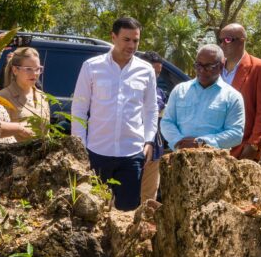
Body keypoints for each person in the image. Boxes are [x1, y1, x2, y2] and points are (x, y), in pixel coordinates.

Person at [71, 17, 158, 211]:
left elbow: (151, 109)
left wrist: (148, 140)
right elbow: (79, 108)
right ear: (113, 37)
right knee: (90, 210)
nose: (132, 45)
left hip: (131, 153)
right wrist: (79, 147)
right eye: (126, 39)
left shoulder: (146, 71)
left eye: (135, 40)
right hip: (95, 152)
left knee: (127, 213)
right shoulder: (92, 67)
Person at [161, 44, 245, 151]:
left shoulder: (232, 97)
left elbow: (236, 134)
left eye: (209, 67)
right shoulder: (180, 90)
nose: (202, 70)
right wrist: (180, 141)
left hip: (214, 162)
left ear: (221, 66)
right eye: (198, 65)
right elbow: (167, 122)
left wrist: (201, 142)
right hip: (181, 158)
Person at [218, 23, 261, 161]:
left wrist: (253, 145)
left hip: (242, 150)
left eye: (227, 40)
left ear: (241, 41)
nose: (222, 45)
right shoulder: (216, 69)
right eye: (220, 40)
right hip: (214, 148)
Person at [0, 47, 50, 138]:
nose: (34, 73)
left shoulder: (42, 96)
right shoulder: (3, 96)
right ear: (15, 70)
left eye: (38, 69)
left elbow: (47, 134)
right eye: (28, 69)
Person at [139, 51, 168, 203]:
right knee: (117, 195)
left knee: (149, 199)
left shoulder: (159, 93)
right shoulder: (124, 89)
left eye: (157, 73)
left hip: (154, 150)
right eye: (151, 71)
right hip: (126, 149)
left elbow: (155, 108)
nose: (154, 76)